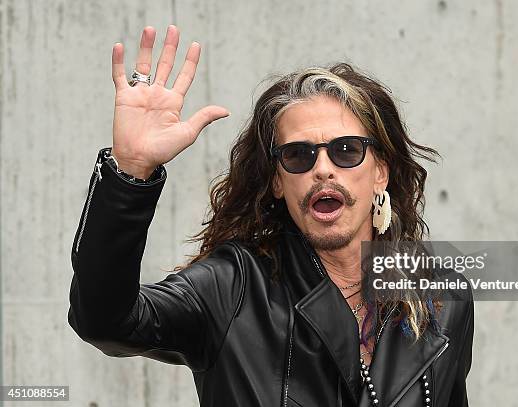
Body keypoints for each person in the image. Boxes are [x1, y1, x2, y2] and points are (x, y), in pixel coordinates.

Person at [68, 24, 473, 407]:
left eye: (346, 150)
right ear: (279, 181)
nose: (323, 169)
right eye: (298, 155)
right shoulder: (233, 287)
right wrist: (131, 172)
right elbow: (106, 321)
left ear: (380, 172)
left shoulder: (442, 297)